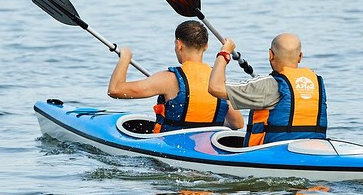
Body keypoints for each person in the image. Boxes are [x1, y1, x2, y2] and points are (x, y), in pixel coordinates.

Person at [108, 20, 243, 132]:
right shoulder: (217, 80)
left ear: (179, 45)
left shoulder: (169, 79)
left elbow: (115, 90)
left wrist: (125, 58)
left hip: (173, 148)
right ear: (206, 46)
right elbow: (237, 123)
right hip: (208, 148)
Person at [208, 32, 327, 146]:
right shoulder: (317, 83)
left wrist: (224, 53)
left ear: (270, 55)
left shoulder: (267, 85)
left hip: (271, 154)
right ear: (300, 56)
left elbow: (215, 87)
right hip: (311, 152)